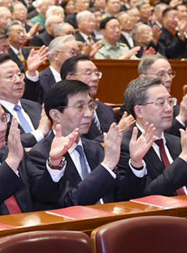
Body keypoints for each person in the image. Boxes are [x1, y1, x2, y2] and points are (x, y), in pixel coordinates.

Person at [26, 80, 144, 208]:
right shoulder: (40, 155)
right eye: (80, 107)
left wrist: (136, 164)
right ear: (55, 114)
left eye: (91, 106)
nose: (89, 114)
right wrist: (107, 165)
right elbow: (69, 203)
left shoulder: (96, 149)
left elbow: (125, 196)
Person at [120, 76, 187, 197]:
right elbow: (147, 195)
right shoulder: (126, 146)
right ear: (139, 111)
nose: (169, 109)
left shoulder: (177, 142)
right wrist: (186, 157)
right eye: (161, 103)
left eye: (170, 101)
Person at [0, 54, 49, 148]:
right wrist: (40, 132)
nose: (18, 80)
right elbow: (5, 144)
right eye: (10, 76)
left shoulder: (35, 106)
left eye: (19, 75)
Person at [61, 55, 118, 140]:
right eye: (88, 73)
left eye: (96, 73)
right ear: (70, 78)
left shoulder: (106, 110)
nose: (95, 78)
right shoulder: (64, 109)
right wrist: (117, 131)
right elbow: (82, 143)